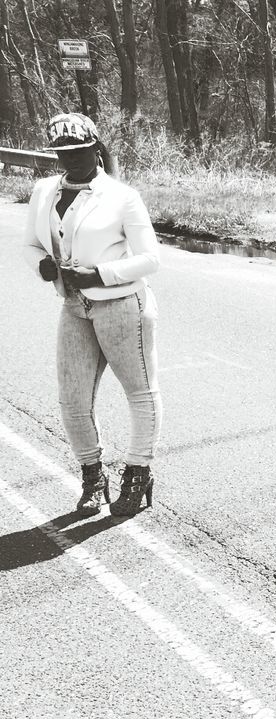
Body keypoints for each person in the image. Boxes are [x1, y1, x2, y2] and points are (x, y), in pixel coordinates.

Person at [21, 112, 162, 517]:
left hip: (121, 305)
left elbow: (150, 259)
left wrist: (98, 274)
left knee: (140, 392)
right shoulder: (44, 192)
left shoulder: (121, 196)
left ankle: (137, 473)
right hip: (74, 307)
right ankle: (92, 476)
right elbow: (30, 245)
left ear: (96, 147)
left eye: (80, 150)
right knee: (72, 401)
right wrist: (42, 266)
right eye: (63, 152)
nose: (72, 159)